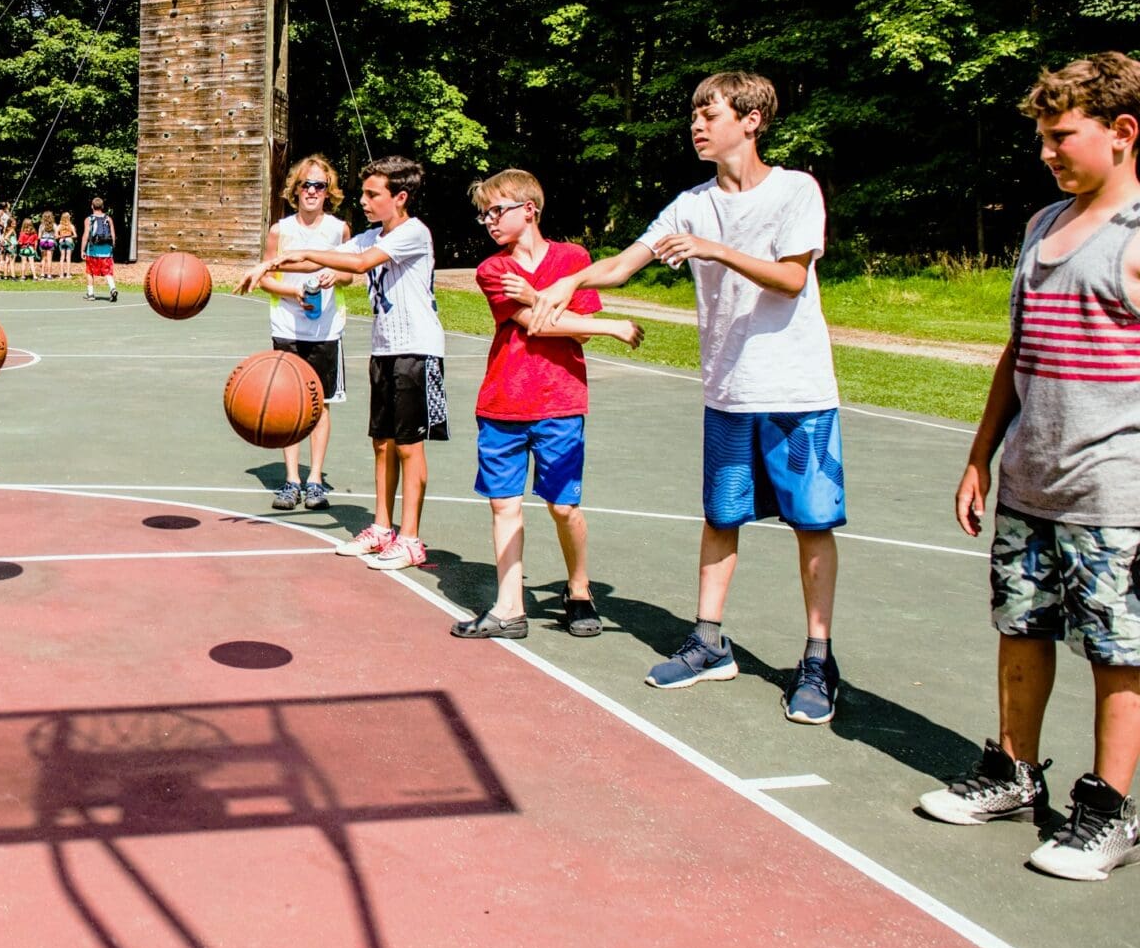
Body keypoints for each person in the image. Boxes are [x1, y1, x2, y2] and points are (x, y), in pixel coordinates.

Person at [528, 71, 845, 724]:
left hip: (796, 389)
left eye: (710, 111)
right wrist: (569, 282)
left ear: (751, 119)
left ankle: (818, 656)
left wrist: (714, 249)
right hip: (730, 390)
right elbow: (623, 263)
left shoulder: (795, 190)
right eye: (694, 113)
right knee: (720, 516)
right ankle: (709, 640)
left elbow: (790, 277)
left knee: (810, 523)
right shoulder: (689, 202)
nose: (696, 123)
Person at [917, 52, 1140, 882]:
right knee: (1021, 628)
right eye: (1043, 136)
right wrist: (981, 454)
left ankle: (1110, 809)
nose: (1047, 151)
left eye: (1061, 135)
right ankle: (1014, 770)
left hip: (1115, 491)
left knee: (1120, 649)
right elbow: (1019, 352)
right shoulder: (1043, 224)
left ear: (1123, 133)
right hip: (1031, 481)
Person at [453, 169, 643, 640]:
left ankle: (579, 591)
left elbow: (576, 325)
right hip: (502, 402)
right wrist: (613, 327)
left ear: (528, 209)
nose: (489, 221)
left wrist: (539, 295)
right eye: (483, 215)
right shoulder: (493, 270)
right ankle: (509, 607)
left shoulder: (573, 260)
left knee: (563, 507)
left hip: (560, 402)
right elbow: (535, 324)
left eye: (496, 210)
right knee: (505, 506)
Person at [241, 155, 442, 572]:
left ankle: (410, 539)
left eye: (373, 194)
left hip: (418, 351)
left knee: (408, 446)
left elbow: (354, 264)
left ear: (399, 197)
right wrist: (270, 262)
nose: (364, 201)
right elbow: (318, 259)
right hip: (386, 349)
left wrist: (279, 261)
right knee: (382, 443)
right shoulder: (372, 235)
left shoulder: (411, 233)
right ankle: (383, 528)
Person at [253, 155, 354, 511]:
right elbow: (264, 276)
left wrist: (334, 275)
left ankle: (315, 481)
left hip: (326, 329)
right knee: (289, 404)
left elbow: (351, 273)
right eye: (305, 185)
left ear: (329, 192)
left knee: (321, 405)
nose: (312, 191)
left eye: (319, 185)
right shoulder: (281, 230)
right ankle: (292, 479)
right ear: (295, 190)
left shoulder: (338, 230)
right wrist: (291, 292)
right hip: (288, 326)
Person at [83, 197, 118, 301]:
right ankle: (112, 288)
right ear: (102, 206)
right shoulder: (108, 218)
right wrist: (113, 246)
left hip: (93, 249)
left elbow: (85, 235)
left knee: (90, 271)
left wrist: (82, 249)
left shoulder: (89, 219)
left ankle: (90, 294)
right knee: (108, 271)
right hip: (107, 249)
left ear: (92, 206)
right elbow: (113, 234)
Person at [57, 211, 77, 281]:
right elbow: (75, 235)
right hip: (69, 241)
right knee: (68, 258)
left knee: (62, 258)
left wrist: (62, 235)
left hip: (62, 241)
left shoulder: (59, 226)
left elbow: (56, 236)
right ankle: (68, 274)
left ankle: (61, 274)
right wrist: (69, 235)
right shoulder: (71, 226)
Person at [38, 211, 58, 279]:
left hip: (43, 241)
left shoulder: (41, 225)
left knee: (43, 258)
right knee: (49, 259)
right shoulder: (54, 225)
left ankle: (42, 274)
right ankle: (49, 275)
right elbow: (56, 235)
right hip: (50, 242)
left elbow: (39, 236)